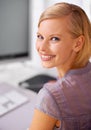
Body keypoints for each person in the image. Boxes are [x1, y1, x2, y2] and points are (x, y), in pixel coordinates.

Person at [29, 2, 91, 130]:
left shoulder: (49, 97)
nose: (42, 47)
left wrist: (54, 94)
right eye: (40, 37)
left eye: (54, 38)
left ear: (78, 43)